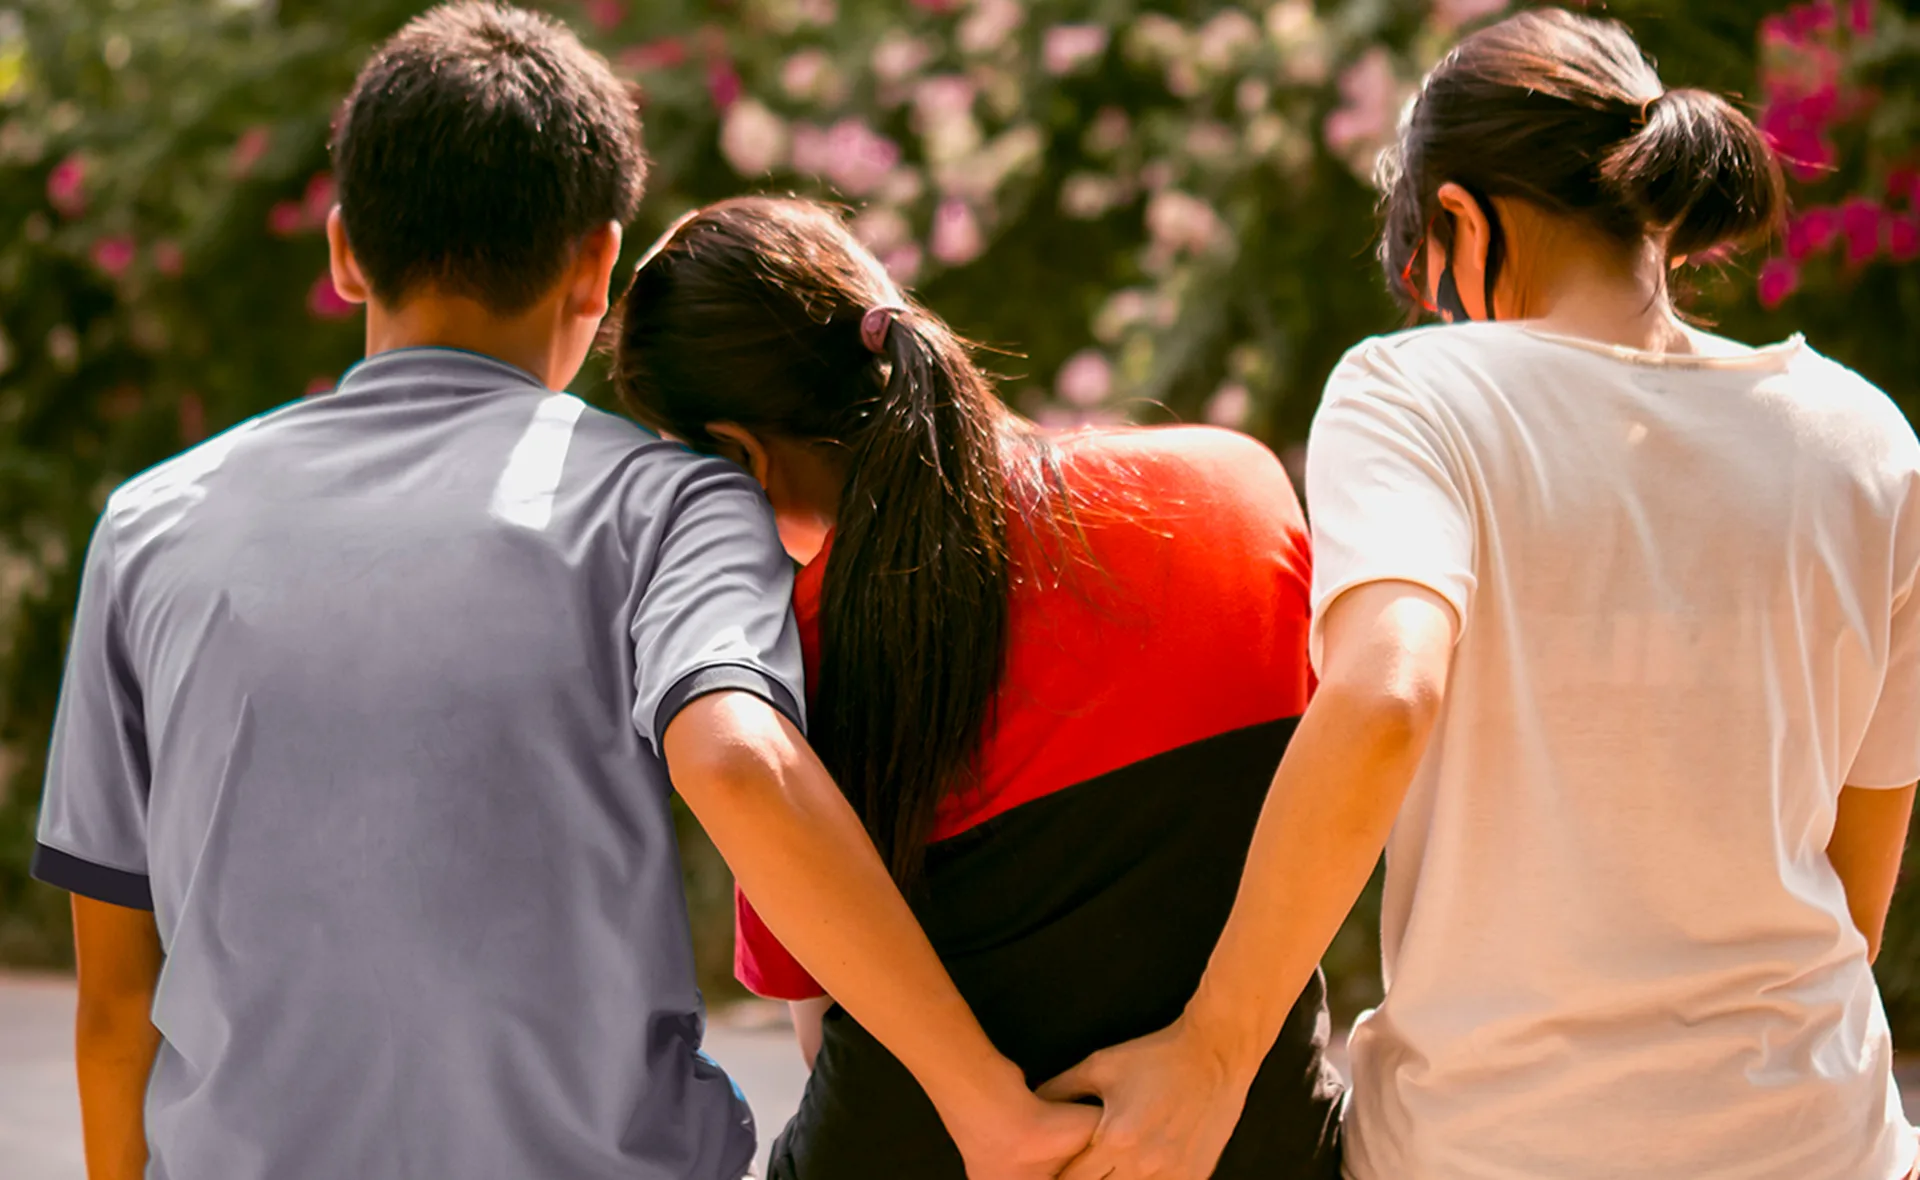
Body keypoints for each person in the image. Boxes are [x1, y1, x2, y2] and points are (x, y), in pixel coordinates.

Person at [30, 6, 1092, 1179]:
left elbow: (115, 1005)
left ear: (344, 252)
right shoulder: (671, 505)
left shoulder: (149, 528)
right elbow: (742, 764)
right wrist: (986, 1101)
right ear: (597, 266)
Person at [1038, 9, 1920, 1180]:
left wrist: (1214, 1049)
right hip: (1823, 1141)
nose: (1440, 309)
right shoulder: (1866, 440)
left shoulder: (1416, 396)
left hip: (1499, 1147)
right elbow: (1856, 891)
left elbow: (1383, 699)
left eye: (1425, 269)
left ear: (1460, 215)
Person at [611, 195, 1346, 1180]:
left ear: (738, 457)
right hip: (1246, 1148)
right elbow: (1320, 815)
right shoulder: (1236, 491)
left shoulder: (794, 661)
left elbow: (827, 1037)